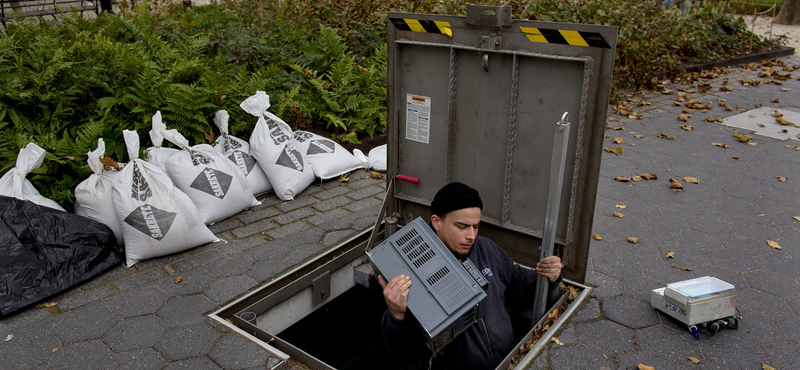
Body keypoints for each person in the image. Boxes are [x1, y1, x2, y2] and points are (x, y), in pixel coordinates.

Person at [378, 182, 563, 370]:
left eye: (476, 226)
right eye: (462, 226)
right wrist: (396, 315)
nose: (471, 236)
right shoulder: (407, 268)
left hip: (510, 362)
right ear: (436, 222)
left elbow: (519, 287)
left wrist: (548, 276)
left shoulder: (486, 249)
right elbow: (404, 353)